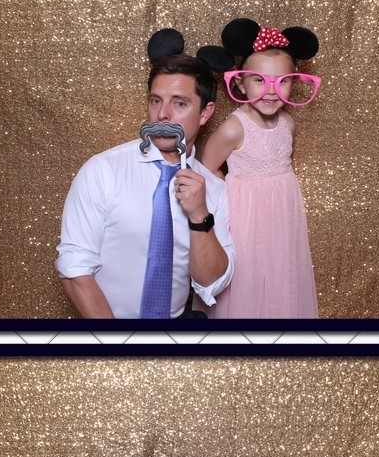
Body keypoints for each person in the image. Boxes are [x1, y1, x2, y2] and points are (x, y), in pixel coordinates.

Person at [56, 29, 233, 320]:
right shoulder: (103, 170)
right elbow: (75, 269)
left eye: (179, 103)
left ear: (205, 113)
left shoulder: (214, 188)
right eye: (155, 101)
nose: (163, 115)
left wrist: (200, 216)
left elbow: (211, 282)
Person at [197, 17, 321, 321]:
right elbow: (207, 169)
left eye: (282, 81)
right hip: (246, 216)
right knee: (248, 276)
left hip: (283, 213)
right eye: (259, 80)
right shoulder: (234, 128)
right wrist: (236, 196)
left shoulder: (288, 124)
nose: (271, 91)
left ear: (294, 82)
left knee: (281, 271)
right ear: (240, 83)